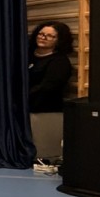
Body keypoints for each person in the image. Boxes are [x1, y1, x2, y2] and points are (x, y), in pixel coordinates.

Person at [28, 20, 73, 173]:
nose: (43, 37)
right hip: (24, 108)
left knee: (42, 152)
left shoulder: (60, 62)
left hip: (45, 111)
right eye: (41, 34)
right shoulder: (28, 55)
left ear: (59, 40)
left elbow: (48, 87)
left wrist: (23, 98)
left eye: (50, 36)